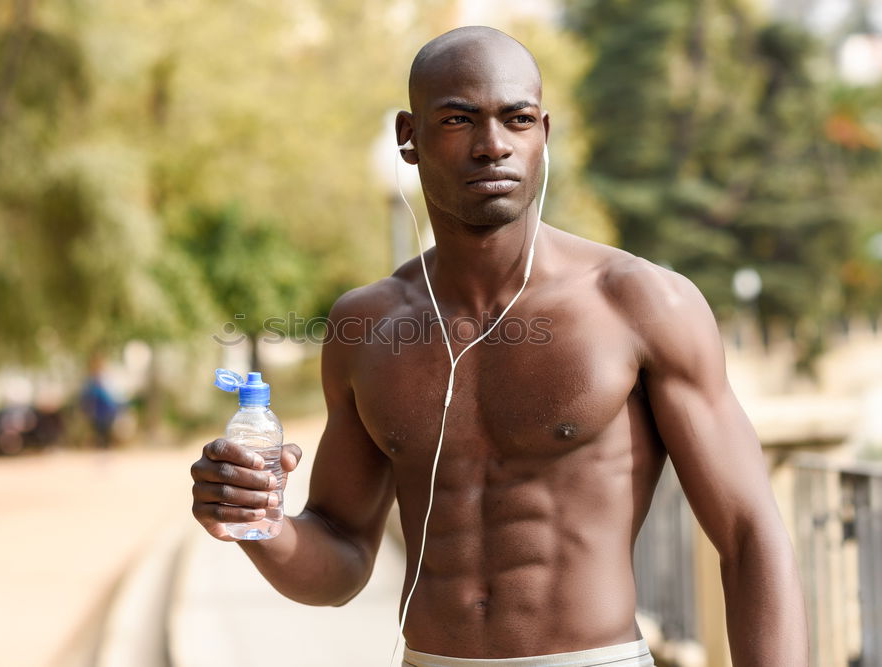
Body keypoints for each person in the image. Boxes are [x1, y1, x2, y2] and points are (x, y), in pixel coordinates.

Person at [190, 26, 808, 666]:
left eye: (516, 120)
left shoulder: (640, 303)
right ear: (410, 137)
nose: (492, 146)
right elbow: (340, 561)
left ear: (544, 133)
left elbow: (749, 534)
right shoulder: (366, 326)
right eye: (459, 120)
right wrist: (259, 522)